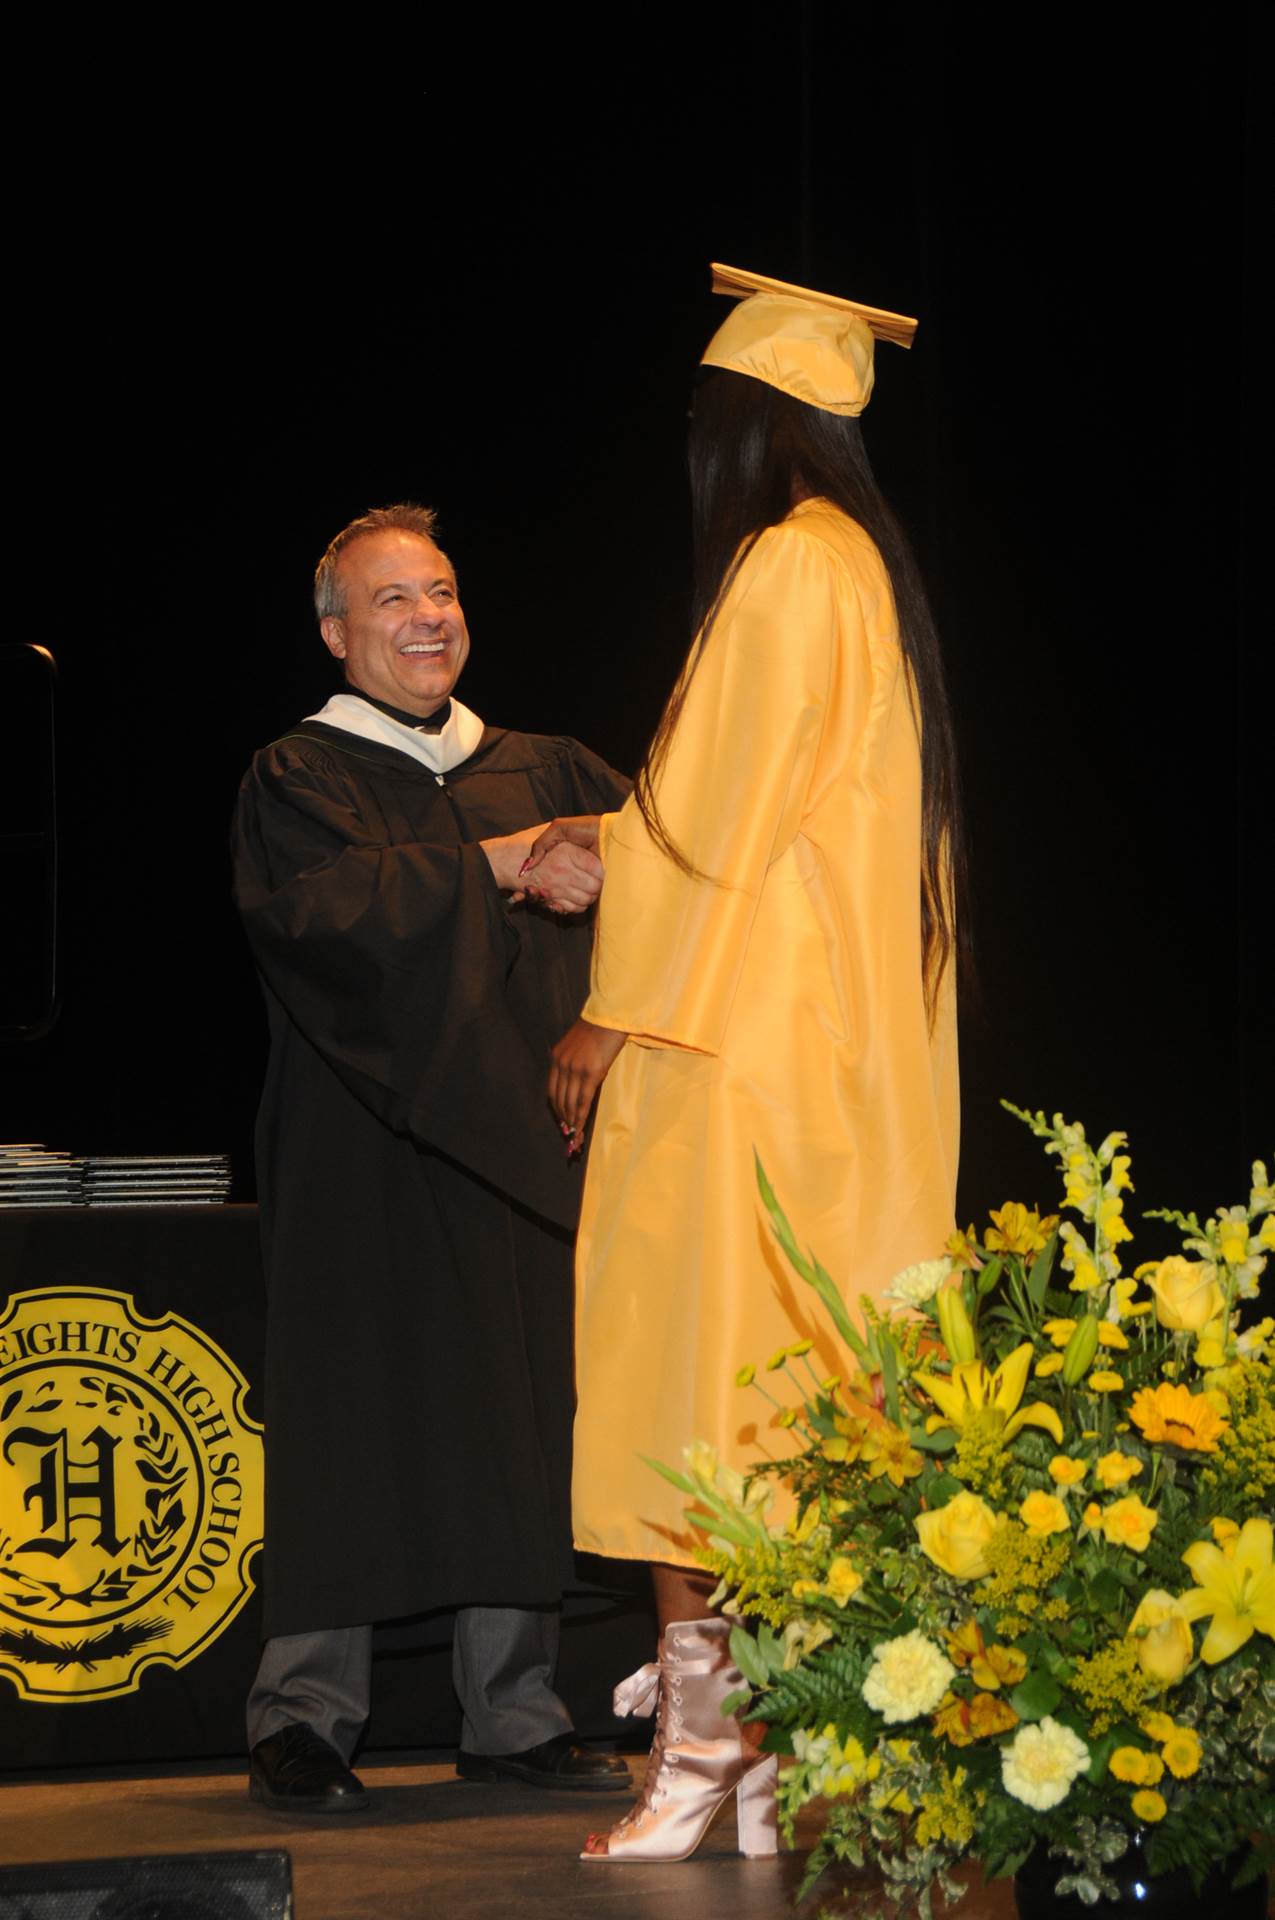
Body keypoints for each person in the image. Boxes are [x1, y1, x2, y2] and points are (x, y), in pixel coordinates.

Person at [538, 265, 963, 1861]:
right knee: (788, 1402)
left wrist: (608, 1006)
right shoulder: (869, 568)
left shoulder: (789, 567)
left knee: (689, 1392)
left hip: (729, 1049)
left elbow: (702, 824)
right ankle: (778, 1751)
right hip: (831, 1057)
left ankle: (705, 1752)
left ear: (744, 423)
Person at [232, 503, 632, 1812]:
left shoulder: (556, 762)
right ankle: (305, 1719)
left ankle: (515, 1712)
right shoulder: (297, 776)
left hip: (525, 1139)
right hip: (363, 1154)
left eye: (443, 591)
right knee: (357, 1417)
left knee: (517, 1416)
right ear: (340, 632)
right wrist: (508, 861)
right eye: (394, 600)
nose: (429, 617)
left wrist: (606, 1024)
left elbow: (678, 895)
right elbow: (331, 920)